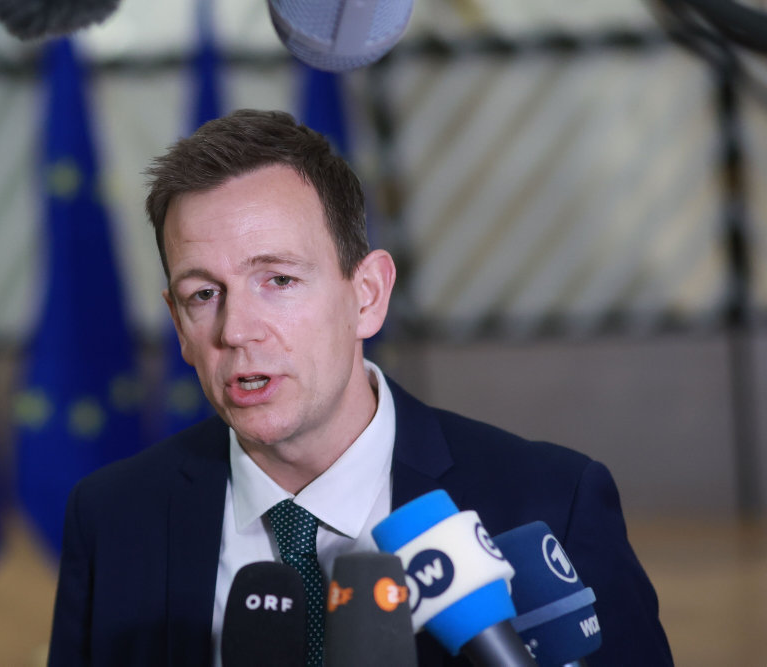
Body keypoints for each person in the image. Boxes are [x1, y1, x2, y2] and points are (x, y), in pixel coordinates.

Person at [47, 109, 673, 666]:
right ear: (178, 326)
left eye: (279, 280)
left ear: (367, 296)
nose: (235, 330)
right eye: (203, 294)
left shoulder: (550, 502)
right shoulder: (112, 519)